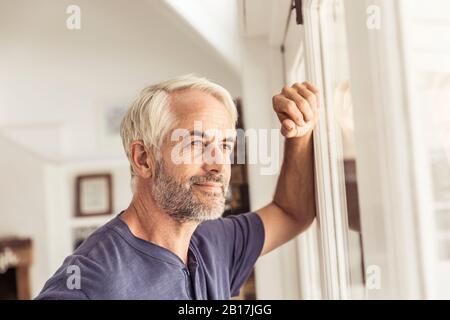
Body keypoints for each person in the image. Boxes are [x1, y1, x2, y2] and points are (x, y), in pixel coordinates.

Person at [36, 74, 320, 299]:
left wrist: (300, 134)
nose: (218, 165)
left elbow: (291, 212)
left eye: (224, 146)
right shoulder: (90, 279)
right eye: (196, 144)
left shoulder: (214, 242)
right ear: (144, 159)